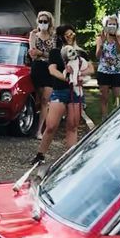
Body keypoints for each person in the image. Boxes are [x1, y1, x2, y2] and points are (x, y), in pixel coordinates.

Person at [32, 24, 90, 164]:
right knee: (51, 126)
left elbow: (90, 68)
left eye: (72, 34)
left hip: (75, 92)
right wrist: (67, 78)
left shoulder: (80, 52)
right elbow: (52, 70)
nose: (71, 37)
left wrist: (79, 75)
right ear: (61, 37)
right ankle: (40, 155)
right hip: (59, 90)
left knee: (72, 126)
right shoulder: (55, 52)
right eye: (67, 34)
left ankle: (71, 159)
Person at [27, 11, 57, 140]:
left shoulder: (54, 36)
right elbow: (33, 53)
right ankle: (32, 123)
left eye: (45, 21)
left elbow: (55, 55)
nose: (43, 24)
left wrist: (42, 53)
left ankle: (39, 130)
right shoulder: (33, 34)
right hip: (37, 68)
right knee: (38, 99)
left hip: (50, 69)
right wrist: (42, 53)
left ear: (50, 22)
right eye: (41, 21)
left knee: (46, 99)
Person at [94, 15, 120, 118]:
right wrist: (102, 43)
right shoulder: (100, 37)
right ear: (106, 25)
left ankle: (117, 117)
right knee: (104, 97)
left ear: (117, 25)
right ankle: (104, 118)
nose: (112, 26)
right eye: (110, 24)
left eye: (114, 24)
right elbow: (98, 56)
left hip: (117, 71)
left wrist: (116, 39)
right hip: (104, 71)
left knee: (118, 96)